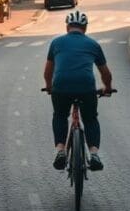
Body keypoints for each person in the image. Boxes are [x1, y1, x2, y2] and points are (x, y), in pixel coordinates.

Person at [44, 10, 113, 172]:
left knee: (60, 115)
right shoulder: (93, 44)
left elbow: (48, 72)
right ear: (85, 28)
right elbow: (106, 73)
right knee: (90, 119)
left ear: (67, 27)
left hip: (61, 87)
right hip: (86, 88)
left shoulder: (56, 43)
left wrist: (49, 86)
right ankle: (94, 154)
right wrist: (107, 88)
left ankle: (60, 150)